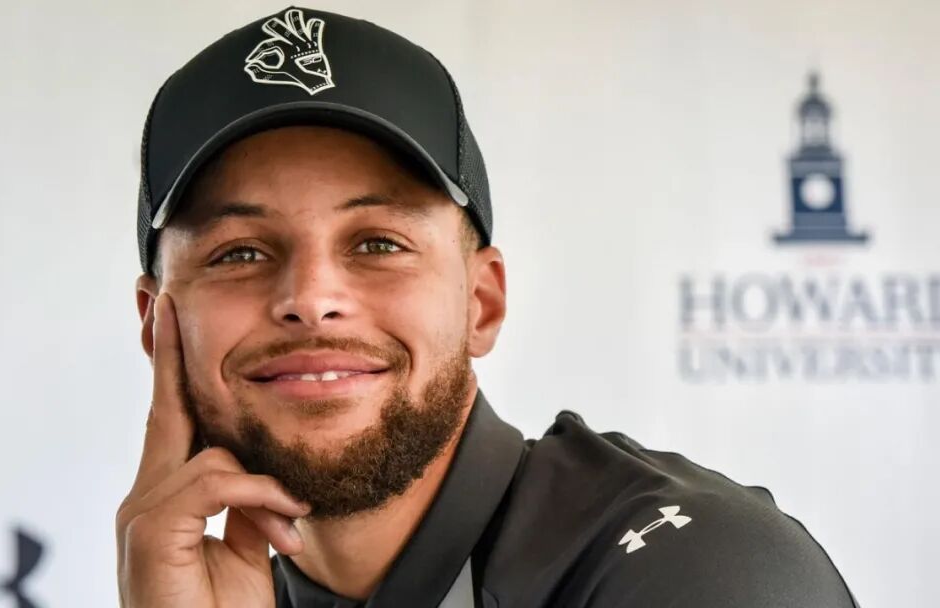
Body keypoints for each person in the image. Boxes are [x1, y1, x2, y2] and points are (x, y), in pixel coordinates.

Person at [115, 6, 859, 607]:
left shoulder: (694, 571)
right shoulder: (219, 593)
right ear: (155, 324)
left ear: (482, 301)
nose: (310, 299)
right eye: (239, 253)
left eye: (377, 243)